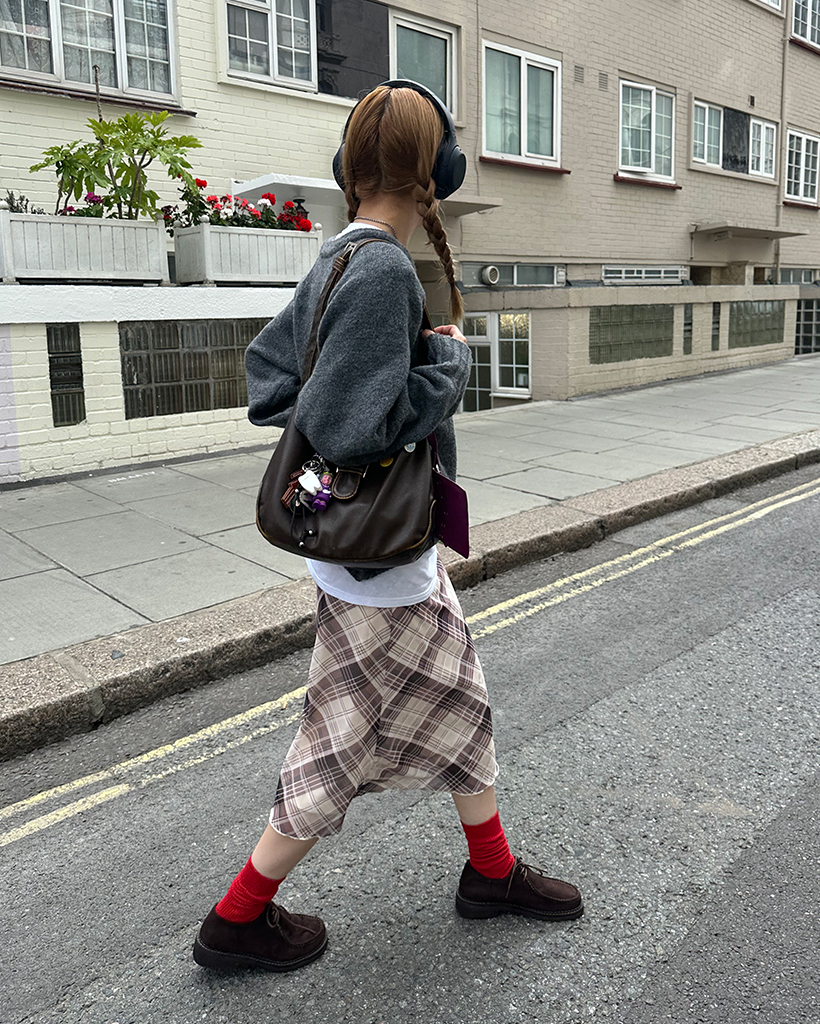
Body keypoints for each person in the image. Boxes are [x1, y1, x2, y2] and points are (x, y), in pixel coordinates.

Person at [192, 81, 583, 974]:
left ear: (351, 166)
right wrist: (443, 365)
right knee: (339, 745)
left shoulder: (337, 258)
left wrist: (368, 379)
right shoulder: (381, 273)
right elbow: (351, 429)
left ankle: (491, 872)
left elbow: (270, 381)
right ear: (437, 169)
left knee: (458, 707)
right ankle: (236, 918)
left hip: (363, 552)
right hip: (382, 565)